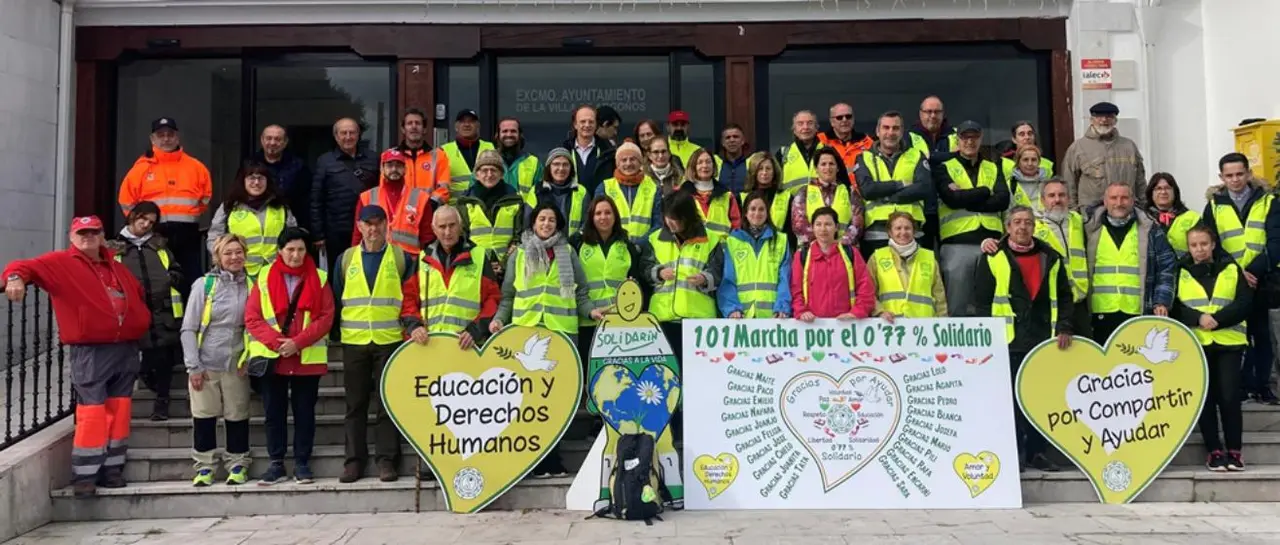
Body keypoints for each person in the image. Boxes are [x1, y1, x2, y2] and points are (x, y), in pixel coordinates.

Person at [4, 216, 151, 497]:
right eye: (82, 233)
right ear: (72, 237)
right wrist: (14, 280)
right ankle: (85, 476)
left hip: (125, 348)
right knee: (92, 411)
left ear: (102, 235)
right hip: (91, 349)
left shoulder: (114, 265)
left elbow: (136, 293)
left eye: (93, 232)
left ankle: (113, 469)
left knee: (119, 412)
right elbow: (21, 267)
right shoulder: (59, 262)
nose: (88, 237)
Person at [493, 203, 595, 477]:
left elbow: (581, 292)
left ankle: (553, 457)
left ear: (558, 225)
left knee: (554, 402)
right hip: (526, 336)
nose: (547, 224)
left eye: (552, 220)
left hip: (561, 335)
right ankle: (533, 459)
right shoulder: (520, 254)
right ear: (533, 223)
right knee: (528, 402)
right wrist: (499, 319)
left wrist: (591, 311)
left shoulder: (568, 252)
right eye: (542, 219)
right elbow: (508, 295)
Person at [973, 205, 1072, 472]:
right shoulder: (993, 257)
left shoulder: (1050, 257)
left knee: (1040, 399)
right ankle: (1014, 453)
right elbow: (980, 301)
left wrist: (1064, 326)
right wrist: (987, 336)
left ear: (1034, 226)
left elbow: (1064, 296)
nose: (1022, 227)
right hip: (1007, 340)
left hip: (1043, 338)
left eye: (1027, 222)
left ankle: (1037, 453)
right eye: (1017, 222)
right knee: (1009, 401)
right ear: (1007, 227)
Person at [244, 227, 336, 485]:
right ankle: (276, 463)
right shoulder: (263, 276)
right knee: (274, 413)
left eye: (301, 250)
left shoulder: (318, 277)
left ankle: (302, 463)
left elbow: (326, 316)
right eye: (290, 250)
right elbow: (252, 317)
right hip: (274, 357)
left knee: (305, 412)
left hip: (306, 356)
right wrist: (277, 343)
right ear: (280, 251)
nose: (296, 255)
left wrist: (298, 342)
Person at [333, 205, 417, 483]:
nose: (373, 229)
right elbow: (336, 296)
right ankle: (353, 462)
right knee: (354, 405)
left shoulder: (401, 258)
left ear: (387, 225)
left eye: (378, 223)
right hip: (354, 340)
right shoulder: (346, 259)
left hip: (389, 339)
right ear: (359, 227)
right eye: (367, 224)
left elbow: (409, 298)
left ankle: (386, 461)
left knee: (386, 403)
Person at [1201, 152, 1280, 404]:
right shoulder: (1214, 205)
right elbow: (1212, 244)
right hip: (1231, 281)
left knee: (1262, 334)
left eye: (1239, 174)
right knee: (1236, 334)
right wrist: (1237, 272)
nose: (1235, 180)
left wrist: (1254, 271)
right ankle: (1242, 385)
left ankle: (1262, 385)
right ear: (1221, 177)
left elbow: (1276, 242)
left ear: (1248, 173)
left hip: (1262, 278)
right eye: (1229, 175)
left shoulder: (1269, 201)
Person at [1173, 225, 1250, 471]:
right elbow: (1174, 306)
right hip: (1197, 343)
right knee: (1205, 398)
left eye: (1204, 244)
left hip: (1229, 342)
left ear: (1213, 244)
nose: (1199, 249)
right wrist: (1198, 318)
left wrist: (1218, 320)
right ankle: (1214, 451)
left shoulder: (1231, 268)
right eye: (1194, 245)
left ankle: (1235, 451)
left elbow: (1244, 302)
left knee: (1229, 397)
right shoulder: (1180, 271)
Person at [181, 234, 252, 486]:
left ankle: (237, 464)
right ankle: (204, 467)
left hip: (237, 362)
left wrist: (249, 357)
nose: (234, 257)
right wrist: (193, 366)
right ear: (218, 257)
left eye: (238, 252)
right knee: (204, 415)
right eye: (228, 253)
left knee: (237, 414)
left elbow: (254, 326)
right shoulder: (204, 285)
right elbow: (189, 328)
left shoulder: (252, 285)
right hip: (207, 361)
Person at [105, 201, 184, 421]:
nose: (146, 224)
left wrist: (171, 279)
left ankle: (162, 403)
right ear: (133, 216)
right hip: (133, 311)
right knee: (145, 359)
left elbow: (176, 268)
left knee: (165, 358)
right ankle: (149, 382)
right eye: (143, 218)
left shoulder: (159, 245)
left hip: (164, 310)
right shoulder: (114, 247)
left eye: (151, 222)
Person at [118, 117, 212, 299]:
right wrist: (141, 225)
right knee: (155, 280)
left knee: (191, 281)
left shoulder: (196, 167)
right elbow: (126, 201)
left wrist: (188, 216)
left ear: (178, 137)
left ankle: (189, 322)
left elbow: (205, 198)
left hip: (187, 234)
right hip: (153, 233)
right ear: (152, 139)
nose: (166, 139)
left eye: (170, 134)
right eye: (161, 135)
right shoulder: (140, 169)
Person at [1085, 182, 1176, 342]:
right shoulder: (1089, 229)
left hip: (1138, 312)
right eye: (1114, 198)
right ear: (1105, 201)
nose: (1119, 203)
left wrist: (1161, 300)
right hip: (1099, 314)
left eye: (1124, 198)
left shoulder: (1150, 229)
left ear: (1133, 201)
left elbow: (1166, 267)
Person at [935, 121, 1010, 317]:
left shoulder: (993, 167)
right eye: (965, 137)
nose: (970, 141)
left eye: (974, 137)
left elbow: (1002, 200)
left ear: (981, 139)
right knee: (957, 305)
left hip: (993, 244)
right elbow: (951, 199)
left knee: (992, 304)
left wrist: (967, 198)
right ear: (957, 140)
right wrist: (985, 191)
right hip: (957, 244)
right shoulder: (944, 167)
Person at [402, 204, 501, 343]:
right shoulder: (422, 258)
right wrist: (415, 326)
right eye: (442, 227)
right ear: (434, 229)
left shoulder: (478, 256)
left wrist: (476, 330)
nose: (448, 232)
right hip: (430, 343)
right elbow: (408, 298)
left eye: (452, 225)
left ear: (460, 226)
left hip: (465, 345)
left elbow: (493, 299)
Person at [641, 193, 724, 354]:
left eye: (675, 218)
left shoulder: (711, 240)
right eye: (667, 217)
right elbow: (644, 268)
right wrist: (658, 273)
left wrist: (705, 278)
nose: (670, 222)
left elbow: (718, 271)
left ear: (687, 217)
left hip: (699, 319)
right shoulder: (654, 239)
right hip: (662, 317)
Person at [572, 196, 643, 361]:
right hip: (586, 321)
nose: (603, 217)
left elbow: (636, 282)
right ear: (591, 217)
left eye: (607, 213)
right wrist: (588, 310)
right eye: (598, 213)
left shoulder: (627, 246)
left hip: (619, 322)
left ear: (615, 216)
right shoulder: (577, 243)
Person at [856, 110, 931, 257]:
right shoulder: (864, 157)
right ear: (877, 131)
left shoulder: (916, 155)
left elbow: (924, 188)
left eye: (895, 128)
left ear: (902, 131)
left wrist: (886, 197)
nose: (890, 132)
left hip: (910, 231)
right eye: (886, 128)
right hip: (876, 233)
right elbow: (868, 190)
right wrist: (901, 184)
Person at [207, 160, 298, 278]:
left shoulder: (280, 207)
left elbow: (293, 238)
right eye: (251, 178)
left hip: (276, 273)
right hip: (239, 274)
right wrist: (225, 261)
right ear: (243, 181)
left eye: (261, 178)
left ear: (267, 181)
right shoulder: (229, 207)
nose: (256, 182)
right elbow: (214, 238)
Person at [311, 117, 379, 271]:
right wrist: (318, 234)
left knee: (367, 270)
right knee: (339, 272)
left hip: (369, 227)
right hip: (336, 230)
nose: (348, 137)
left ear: (358, 135)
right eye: (343, 133)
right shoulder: (325, 161)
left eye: (352, 132)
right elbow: (316, 200)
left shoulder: (373, 158)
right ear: (336, 136)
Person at [790, 207, 875, 321]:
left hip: (846, 325)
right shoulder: (802, 256)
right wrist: (801, 311)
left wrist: (856, 312)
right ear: (812, 228)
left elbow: (865, 287)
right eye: (818, 224)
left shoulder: (851, 253)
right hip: (812, 326)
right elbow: (795, 290)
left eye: (828, 224)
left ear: (836, 227)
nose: (823, 229)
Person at [718, 192, 792, 319]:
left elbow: (785, 278)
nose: (757, 213)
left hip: (775, 315)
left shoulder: (781, 240)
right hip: (741, 316)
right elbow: (728, 278)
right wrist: (731, 308)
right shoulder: (733, 241)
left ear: (767, 213)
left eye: (761, 209)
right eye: (752, 209)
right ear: (745, 213)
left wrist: (782, 307)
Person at [1062, 102, 1146, 213]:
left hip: (1126, 212)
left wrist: (1144, 207)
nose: (1104, 120)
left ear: (1115, 120)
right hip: (1092, 215)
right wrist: (1074, 212)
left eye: (1109, 116)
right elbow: (1069, 183)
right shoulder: (1078, 148)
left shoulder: (1129, 146)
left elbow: (1140, 181)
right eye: (1099, 116)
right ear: (1091, 120)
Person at [353, 148, 435, 254]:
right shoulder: (366, 197)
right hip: (376, 259)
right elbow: (357, 234)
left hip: (409, 262)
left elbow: (427, 237)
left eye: (398, 165)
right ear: (382, 169)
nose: (394, 169)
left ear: (405, 169)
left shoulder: (421, 198)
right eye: (389, 165)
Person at [455, 149, 524, 268]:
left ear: (502, 174)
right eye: (484, 170)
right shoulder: (465, 202)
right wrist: (483, 264)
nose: (489, 174)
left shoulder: (515, 200)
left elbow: (519, 237)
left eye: (494, 170)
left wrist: (504, 264)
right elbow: (462, 237)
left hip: (508, 268)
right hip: (475, 267)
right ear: (476, 175)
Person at [871, 212, 947, 319]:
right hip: (890, 325)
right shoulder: (877, 257)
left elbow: (939, 296)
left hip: (924, 326)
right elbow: (868, 292)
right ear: (890, 232)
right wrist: (879, 312)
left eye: (907, 228)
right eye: (898, 228)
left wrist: (943, 320)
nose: (903, 232)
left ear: (914, 231)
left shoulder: (929, 258)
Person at [908, 96, 957, 248]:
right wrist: (949, 155)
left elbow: (963, 158)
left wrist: (930, 157)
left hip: (951, 205)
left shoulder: (957, 134)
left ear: (943, 114)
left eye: (937, 112)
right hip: (923, 206)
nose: (933, 116)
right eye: (928, 112)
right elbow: (917, 162)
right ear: (920, 113)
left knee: (949, 258)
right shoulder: (908, 136)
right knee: (925, 253)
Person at [791, 147, 863, 248]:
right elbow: (799, 225)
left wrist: (839, 244)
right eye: (823, 164)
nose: (828, 168)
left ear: (837, 168)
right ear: (816, 169)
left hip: (843, 250)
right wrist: (820, 246)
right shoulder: (804, 192)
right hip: (812, 251)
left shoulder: (849, 192)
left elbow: (857, 224)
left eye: (831, 164)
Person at [596, 142, 663, 242]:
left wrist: (640, 245)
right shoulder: (605, 187)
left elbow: (658, 224)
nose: (628, 163)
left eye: (633, 159)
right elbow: (598, 221)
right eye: (624, 160)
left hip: (646, 251)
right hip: (614, 248)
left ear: (640, 162)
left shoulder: (653, 187)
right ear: (617, 164)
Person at [676, 148, 741, 243]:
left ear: (714, 166)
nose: (705, 166)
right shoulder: (681, 194)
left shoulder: (727, 195)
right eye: (700, 162)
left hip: (720, 252)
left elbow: (736, 228)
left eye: (708, 162)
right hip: (692, 252)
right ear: (693, 167)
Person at [253, 124, 311, 231]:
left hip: (290, 226)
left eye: (278, 139)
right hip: (256, 224)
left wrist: (304, 227)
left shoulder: (298, 166)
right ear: (262, 140)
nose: (272, 143)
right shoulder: (251, 164)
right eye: (269, 138)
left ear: (285, 142)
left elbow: (306, 200)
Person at [523, 148, 589, 234]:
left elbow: (586, 224)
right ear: (549, 167)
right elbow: (528, 223)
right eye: (556, 164)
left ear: (571, 168)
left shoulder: (581, 192)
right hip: (542, 245)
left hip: (572, 245)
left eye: (565, 165)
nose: (561, 168)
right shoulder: (537, 190)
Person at [394, 108, 451, 205]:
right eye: (409, 123)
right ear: (403, 129)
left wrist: (428, 205)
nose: (414, 127)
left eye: (418, 123)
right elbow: (385, 188)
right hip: (399, 213)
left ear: (424, 129)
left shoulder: (439, 156)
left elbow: (444, 189)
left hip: (429, 212)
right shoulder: (391, 156)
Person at [441, 109, 495, 198]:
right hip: (455, 207)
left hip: (483, 205)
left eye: (471, 121)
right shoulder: (444, 151)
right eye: (462, 122)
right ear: (456, 126)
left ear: (478, 126)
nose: (467, 125)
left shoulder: (490, 147)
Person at [1144, 173, 1200, 258]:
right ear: (1151, 193)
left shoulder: (1192, 217)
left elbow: (1200, 249)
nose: (1163, 192)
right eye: (1158, 188)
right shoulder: (1142, 218)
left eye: (1167, 188)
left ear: (1175, 192)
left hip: (1183, 269)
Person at [564, 105, 617, 194]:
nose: (587, 125)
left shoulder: (609, 153)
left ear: (596, 124)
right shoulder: (564, 152)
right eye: (583, 121)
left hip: (601, 205)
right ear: (575, 125)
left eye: (591, 122)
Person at [817, 102, 874, 182]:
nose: (844, 120)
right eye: (839, 117)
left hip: (860, 191)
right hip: (832, 192)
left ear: (853, 119)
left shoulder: (866, 141)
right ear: (832, 122)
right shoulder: (820, 140)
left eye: (848, 116)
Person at [775, 110, 825, 193]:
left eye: (810, 123)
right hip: (791, 204)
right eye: (800, 124)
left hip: (821, 204)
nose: (805, 127)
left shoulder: (827, 151)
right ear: (794, 129)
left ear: (817, 128)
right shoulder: (783, 153)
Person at [742, 152, 790, 232]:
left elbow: (790, 232)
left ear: (774, 172)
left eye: (768, 169)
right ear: (754, 171)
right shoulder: (741, 198)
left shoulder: (787, 197)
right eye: (760, 168)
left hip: (778, 243)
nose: (764, 173)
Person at [496, 117, 543, 193]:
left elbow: (540, 195)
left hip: (524, 205)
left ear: (520, 135)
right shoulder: (486, 160)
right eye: (505, 131)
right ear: (497, 135)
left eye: (513, 131)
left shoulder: (534, 163)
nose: (509, 134)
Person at [1007, 145, 1052, 213]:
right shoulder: (1010, 185)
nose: (1030, 163)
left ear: (1039, 162)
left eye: (1033, 160)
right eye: (1025, 160)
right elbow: (1007, 214)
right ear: (1018, 162)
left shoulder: (1047, 184)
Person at [718, 124, 750, 192]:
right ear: (723, 143)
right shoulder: (716, 163)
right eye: (728, 137)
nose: (732, 140)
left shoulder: (751, 163)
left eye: (736, 137)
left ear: (743, 141)